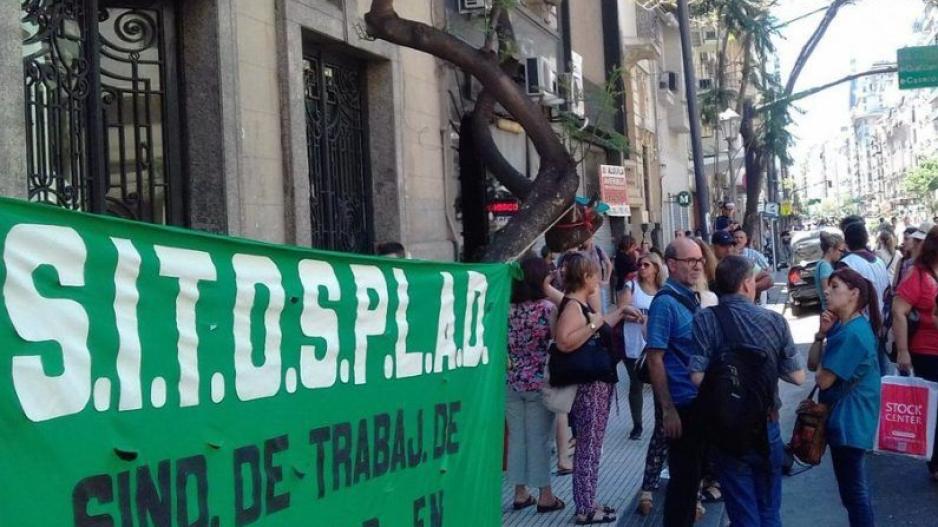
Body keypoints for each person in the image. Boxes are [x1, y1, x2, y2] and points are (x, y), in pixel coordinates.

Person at [690, 256, 806, 527]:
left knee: (742, 510)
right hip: (767, 423)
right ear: (745, 284)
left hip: (727, 428)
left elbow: (696, 376)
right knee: (769, 509)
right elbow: (799, 377)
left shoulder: (705, 319)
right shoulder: (774, 321)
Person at [554, 253, 641, 524]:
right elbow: (564, 341)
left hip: (597, 383)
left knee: (592, 446)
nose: (600, 280)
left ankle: (588, 500)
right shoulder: (573, 307)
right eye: (595, 275)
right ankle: (585, 507)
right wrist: (593, 324)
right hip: (589, 385)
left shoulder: (579, 304)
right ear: (585, 277)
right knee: (588, 446)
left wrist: (620, 313)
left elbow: (598, 326)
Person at [808, 268, 883, 527]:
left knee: (854, 493)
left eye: (835, 287)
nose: (827, 291)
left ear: (854, 294)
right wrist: (821, 334)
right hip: (849, 418)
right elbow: (812, 363)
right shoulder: (844, 326)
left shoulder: (853, 333)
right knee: (852, 493)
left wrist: (825, 347)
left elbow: (822, 379)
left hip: (850, 420)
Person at [645, 238, 704, 527]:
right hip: (681, 406)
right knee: (682, 482)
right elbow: (655, 358)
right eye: (690, 260)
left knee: (692, 479)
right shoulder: (665, 303)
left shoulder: (691, 296)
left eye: (699, 260)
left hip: (698, 401)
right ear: (671, 264)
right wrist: (667, 410)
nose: (697, 266)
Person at [506, 256, 565, 514]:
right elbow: (559, 339)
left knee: (517, 438)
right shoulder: (547, 309)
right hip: (540, 381)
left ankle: (519, 492)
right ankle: (545, 495)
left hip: (511, 381)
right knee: (539, 440)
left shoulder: (507, 309)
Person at [892, 225, 938, 481]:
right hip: (927, 352)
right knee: (935, 409)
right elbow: (898, 311)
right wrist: (903, 351)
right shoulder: (917, 275)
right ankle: (936, 462)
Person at [618, 253, 665, 441]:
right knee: (636, 383)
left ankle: (660, 422)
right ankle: (637, 424)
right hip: (634, 341)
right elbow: (621, 311)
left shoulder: (662, 289)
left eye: (646, 265)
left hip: (656, 343)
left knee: (658, 384)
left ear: (656, 268)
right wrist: (637, 317)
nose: (642, 268)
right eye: (640, 265)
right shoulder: (631, 286)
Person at [580, 237, 614, 312]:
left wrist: (607, 280)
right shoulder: (579, 252)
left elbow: (608, 264)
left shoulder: (598, 249)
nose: (583, 240)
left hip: (598, 285)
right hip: (584, 288)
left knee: (602, 310)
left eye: (585, 238)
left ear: (590, 238)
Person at [816, 231, 846, 312]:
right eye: (840, 251)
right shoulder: (825, 266)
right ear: (831, 249)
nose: (841, 254)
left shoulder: (822, 264)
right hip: (830, 311)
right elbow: (828, 293)